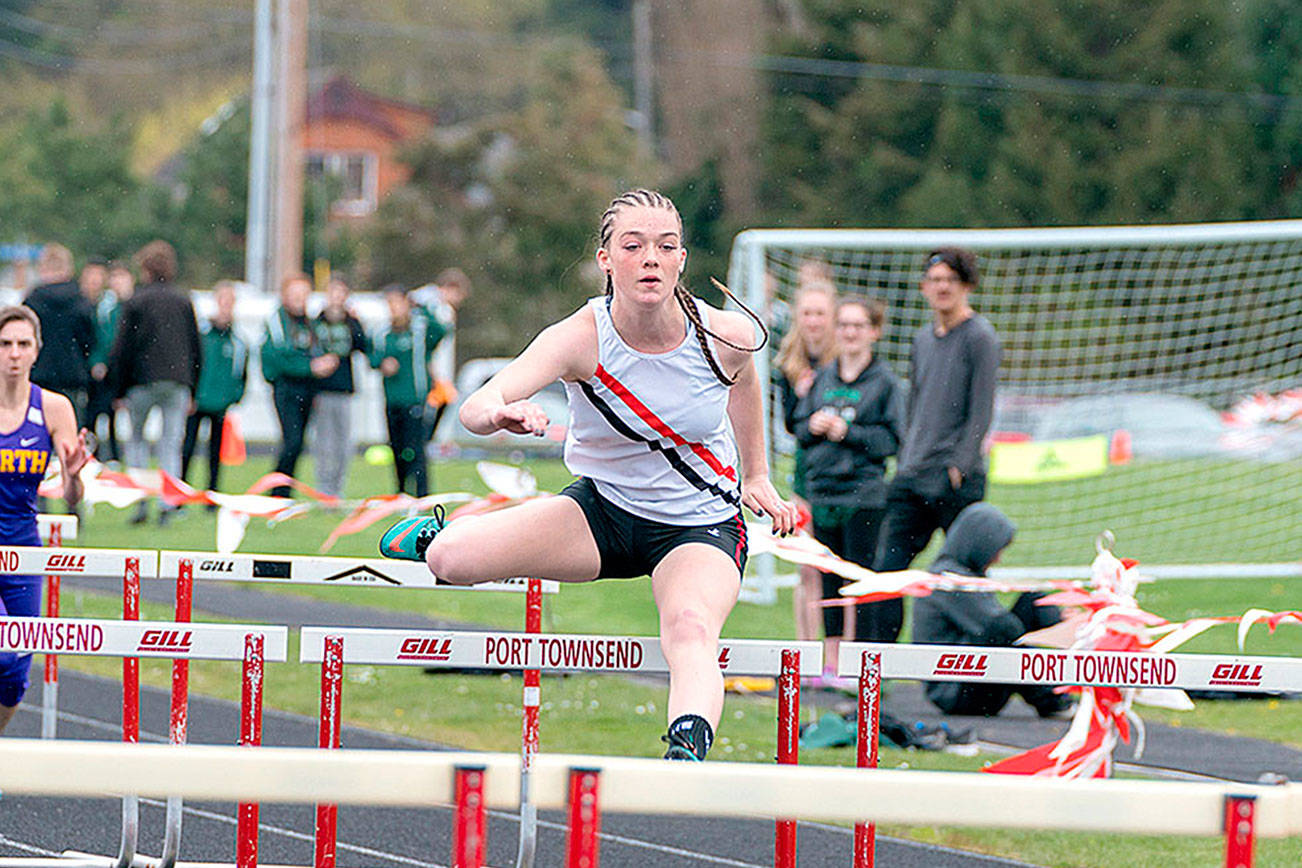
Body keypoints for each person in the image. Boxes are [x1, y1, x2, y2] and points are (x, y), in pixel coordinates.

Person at [379, 189, 798, 762]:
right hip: (602, 515)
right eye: (634, 245)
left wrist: (756, 475)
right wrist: (499, 413)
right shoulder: (580, 336)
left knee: (691, 628)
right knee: (453, 562)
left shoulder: (726, 335)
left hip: (698, 526)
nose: (650, 258)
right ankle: (436, 535)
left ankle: (685, 749)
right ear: (606, 259)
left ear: (681, 260)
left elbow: (745, 382)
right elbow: (476, 406)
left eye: (665, 246)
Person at [873, 247, 1001, 608]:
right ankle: (878, 656)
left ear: (967, 286)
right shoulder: (922, 339)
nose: (942, 287)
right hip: (913, 473)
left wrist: (960, 465)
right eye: (935, 280)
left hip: (954, 477)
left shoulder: (980, 337)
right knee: (886, 574)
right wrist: (906, 455)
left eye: (950, 279)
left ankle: (976, 651)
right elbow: (914, 403)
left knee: (962, 577)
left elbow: (982, 410)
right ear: (924, 287)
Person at [793, 297, 905, 684]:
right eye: (844, 325)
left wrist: (849, 433)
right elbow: (799, 428)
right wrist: (816, 425)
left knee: (858, 578)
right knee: (826, 581)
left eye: (859, 325)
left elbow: (892, 440)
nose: (850, 333)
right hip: (823, 492)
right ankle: (832, 662)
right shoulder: (823, 377)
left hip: (864, 495)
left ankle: (861, 662)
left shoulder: (886, 383)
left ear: (874, 331)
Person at [0, 305, 89, 734]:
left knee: (15, 673)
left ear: (37, 350)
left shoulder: (54, 408)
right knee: (0, 651)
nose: (13, 354)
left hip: (24, 549)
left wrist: (73, 477)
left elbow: (72, 496)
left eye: (22, 344)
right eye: (4, 344)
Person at [912, 502, 1070, 718]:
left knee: (1035, 602)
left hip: (970, 677)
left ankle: (1071, 666)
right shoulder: (948, 580)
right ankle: (1055, 700)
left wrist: (1061, 623)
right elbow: (1003, 627)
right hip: (957, 691)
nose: (998, 559)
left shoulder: (960, 572)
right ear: (977, 544)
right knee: (1003, 633)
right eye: (995, 550)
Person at [109, 240, 202, 525]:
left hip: (142, 381)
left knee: (136, 440)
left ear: (145, 268)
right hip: (177, 381)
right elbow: (196, 346)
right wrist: (193, 387)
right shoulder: (183, 300)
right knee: (170, 444)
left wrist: (118, 389)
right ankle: (167, 503)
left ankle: (140, 501)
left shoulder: (136, 301)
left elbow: (123, 349)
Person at [772, 278, 837, 649]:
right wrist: (802, 400)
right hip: (806, 478)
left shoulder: (847, 363)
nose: (813, 321)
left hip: (844, 479)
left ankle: (839, 655)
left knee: (839, 569)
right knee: (807, 568)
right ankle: (807, 650)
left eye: (820, 313)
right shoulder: (790, 365)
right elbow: (789, 425)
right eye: (807, 313)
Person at [260, 274, 336, 498]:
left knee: (298, 442)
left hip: (308, 389)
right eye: (295, 295)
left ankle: (283, 491)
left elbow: (320, 348)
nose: (300, 300)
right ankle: (277, 492)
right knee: (291, 441)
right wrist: (310, 367)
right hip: (287, 388)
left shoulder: (310, 323)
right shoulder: (277, 321)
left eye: (304, 295)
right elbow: (281, 357)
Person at [370, 285, 446, 496]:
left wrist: (422, 306)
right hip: (392, 400)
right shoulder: (382, 333)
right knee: (397, 449)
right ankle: (401, 492)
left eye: (397, 303)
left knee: (417, 450)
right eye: (390, 304)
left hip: (415, 399)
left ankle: (422, 495)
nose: (394, 308)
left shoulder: (420, 329)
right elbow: (372, 356)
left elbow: (441, 330)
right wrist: (383, 363)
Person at [181, 280, 247, 495]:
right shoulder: (201, 335)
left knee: (216, 451)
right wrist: (190, 392)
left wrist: (234, 397)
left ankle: (212, 492)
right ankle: (182, 493)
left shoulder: (238, 341)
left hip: (220, 403)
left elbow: (241, 373)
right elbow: (190, 363)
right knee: (187, 447)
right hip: (197, 400)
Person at [24, 244, 94, 426]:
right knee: (70, 436)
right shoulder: (82, 301)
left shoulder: (32, 301)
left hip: (39, 377)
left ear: (43, 267)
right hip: (73, 377)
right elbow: (89, 341)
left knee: (37, 436)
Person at [311, 277, 368, 500]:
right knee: (325, 443)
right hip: (323, 390)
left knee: (344, 443)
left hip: (344, 388)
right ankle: (324, 490)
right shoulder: (317, 321)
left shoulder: (351, 322)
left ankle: (337, 488)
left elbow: (364, 346)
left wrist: (357, 322)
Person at [84, 259, 129, 463]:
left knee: (111, 416)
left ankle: (112, 459)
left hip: (112, 373)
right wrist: (96, 361)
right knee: (92, 416)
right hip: (97, 374)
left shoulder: (114, 308)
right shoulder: (96, 307)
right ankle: (93, 456)